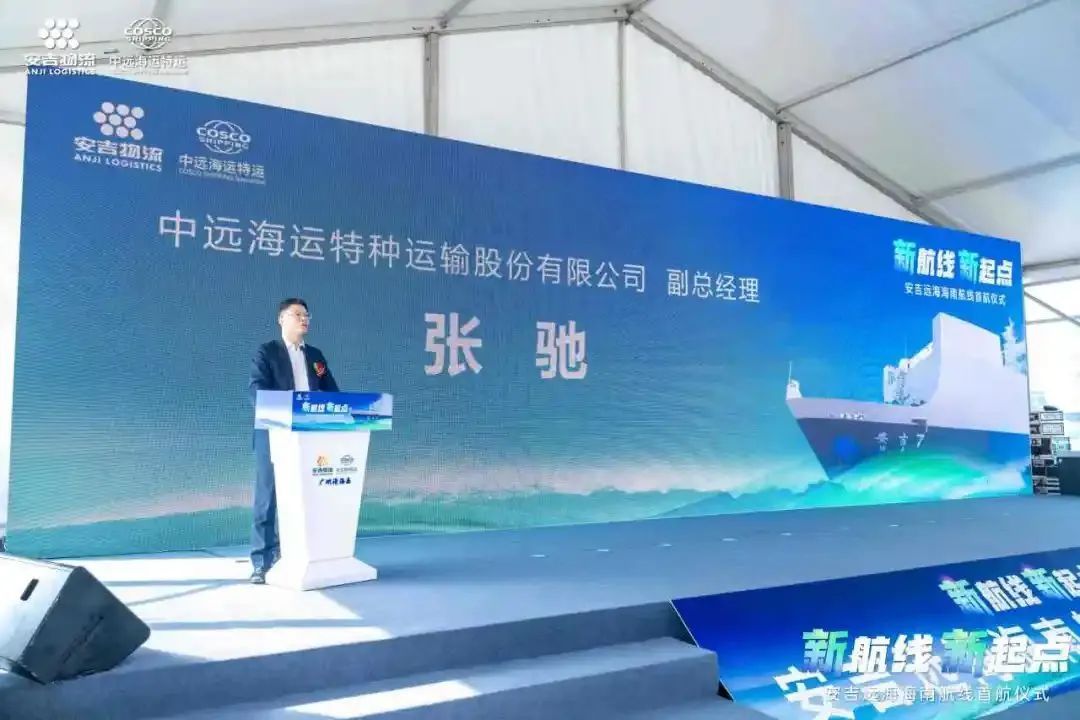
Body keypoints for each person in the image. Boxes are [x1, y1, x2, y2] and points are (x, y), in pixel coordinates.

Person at [247, 298, 339, 584]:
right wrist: (288, 407)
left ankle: (305, 556)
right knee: (267, 498)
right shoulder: (267, 352)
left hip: (310, 435)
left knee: (309, 498)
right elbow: (256, 390)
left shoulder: (316, 356)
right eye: (297, 314)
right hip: (273, 434)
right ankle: (262, 562)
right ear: (281, 319)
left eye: (307, 315)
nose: (304, 319)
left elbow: (332, 392)